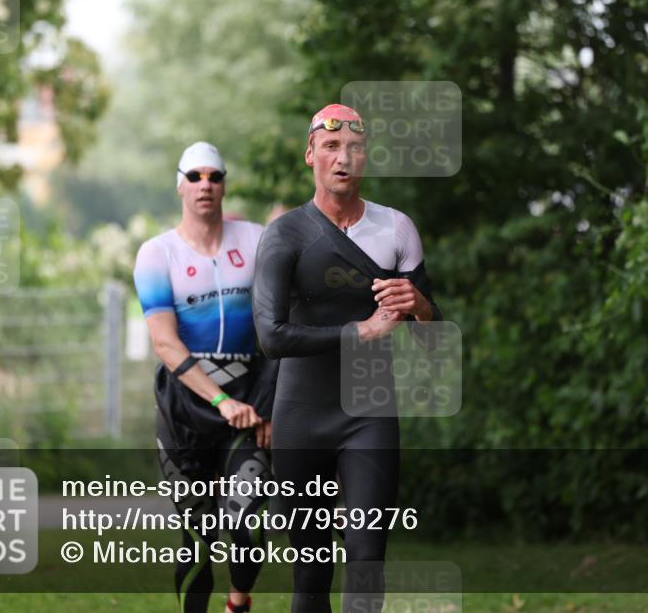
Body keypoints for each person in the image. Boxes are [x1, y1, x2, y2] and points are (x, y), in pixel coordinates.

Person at [252, 104, 442, 613]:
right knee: (311, 572)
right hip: (301, 415)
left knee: (365, 557)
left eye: (354, 148)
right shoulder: (285, 234)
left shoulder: (397, 229)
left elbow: (432, 337)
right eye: (331, 146)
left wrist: (420, 306)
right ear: (310, 154)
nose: (343, 158)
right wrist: (362, 330)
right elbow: (271, 337)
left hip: (369, 414)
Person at [133, 141, 277, 613]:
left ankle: (238, 603)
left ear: (224, 185)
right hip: (186, 410)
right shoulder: (157, 254)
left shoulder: (257, 240)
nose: (205, 185)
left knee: (247, 517)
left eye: (214, 176)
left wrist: (267, 406)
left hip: (249, 404)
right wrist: (220, 400)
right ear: (180, 186)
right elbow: (164, 342)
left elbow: (283, 325)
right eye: (194, 176)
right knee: (197, 537)